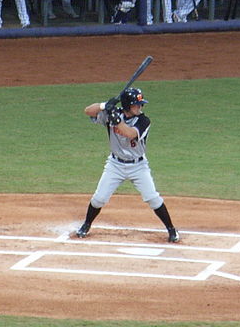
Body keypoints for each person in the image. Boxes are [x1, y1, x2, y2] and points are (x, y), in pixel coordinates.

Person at [75, 87, 180, 243]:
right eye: (137, 104)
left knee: (152, 198)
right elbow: (88, 111)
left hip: (138, 166)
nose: (140, 107)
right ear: (127, 105)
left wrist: (116, 119)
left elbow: (130, 133)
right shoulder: (112, 113)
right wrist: (105, 106)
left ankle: (171, 230)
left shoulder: (144, 121)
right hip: (115, 165)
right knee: (99, 199)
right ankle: (86, 224)